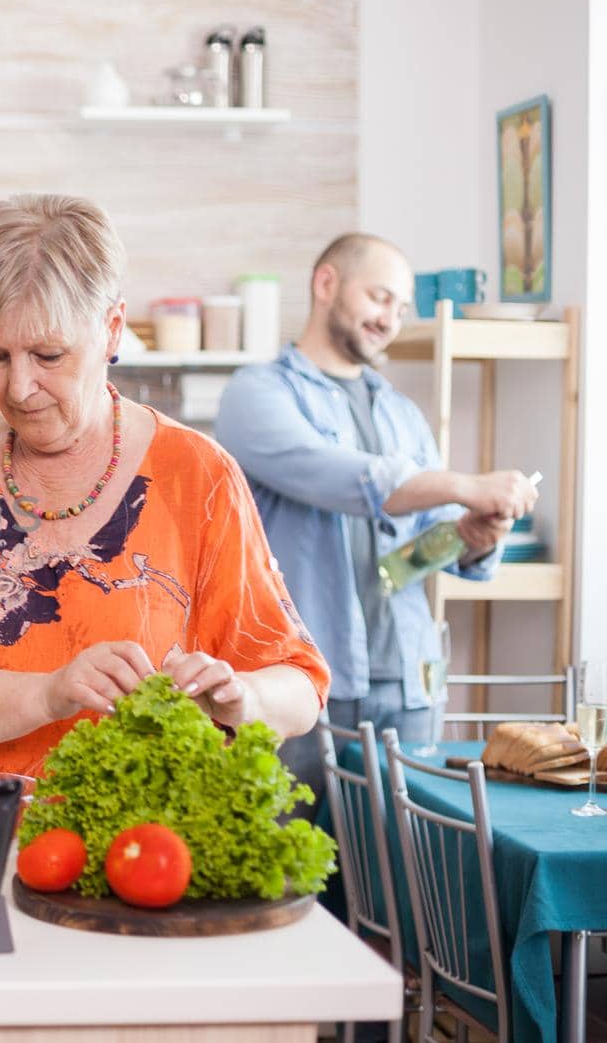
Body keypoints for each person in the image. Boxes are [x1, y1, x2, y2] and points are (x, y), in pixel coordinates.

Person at [0, 194, 328, 779]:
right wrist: (48, 695)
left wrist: (244, 699)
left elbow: (299, 683)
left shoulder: (198, 474)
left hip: (143, 854)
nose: (21, 387)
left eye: (48, 354)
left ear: (112, 329)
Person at [216, 232, 538, 806]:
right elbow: (341, 476)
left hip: (407, 683)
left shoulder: (400, 411)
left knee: (406, 878)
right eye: (380, 297)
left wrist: (469, 537)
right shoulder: (257, 393)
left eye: (401, 307)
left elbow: (417, 548)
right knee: (295, 872)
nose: (391, 319)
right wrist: (465, 484)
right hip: (300, 680)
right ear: (326, 285)